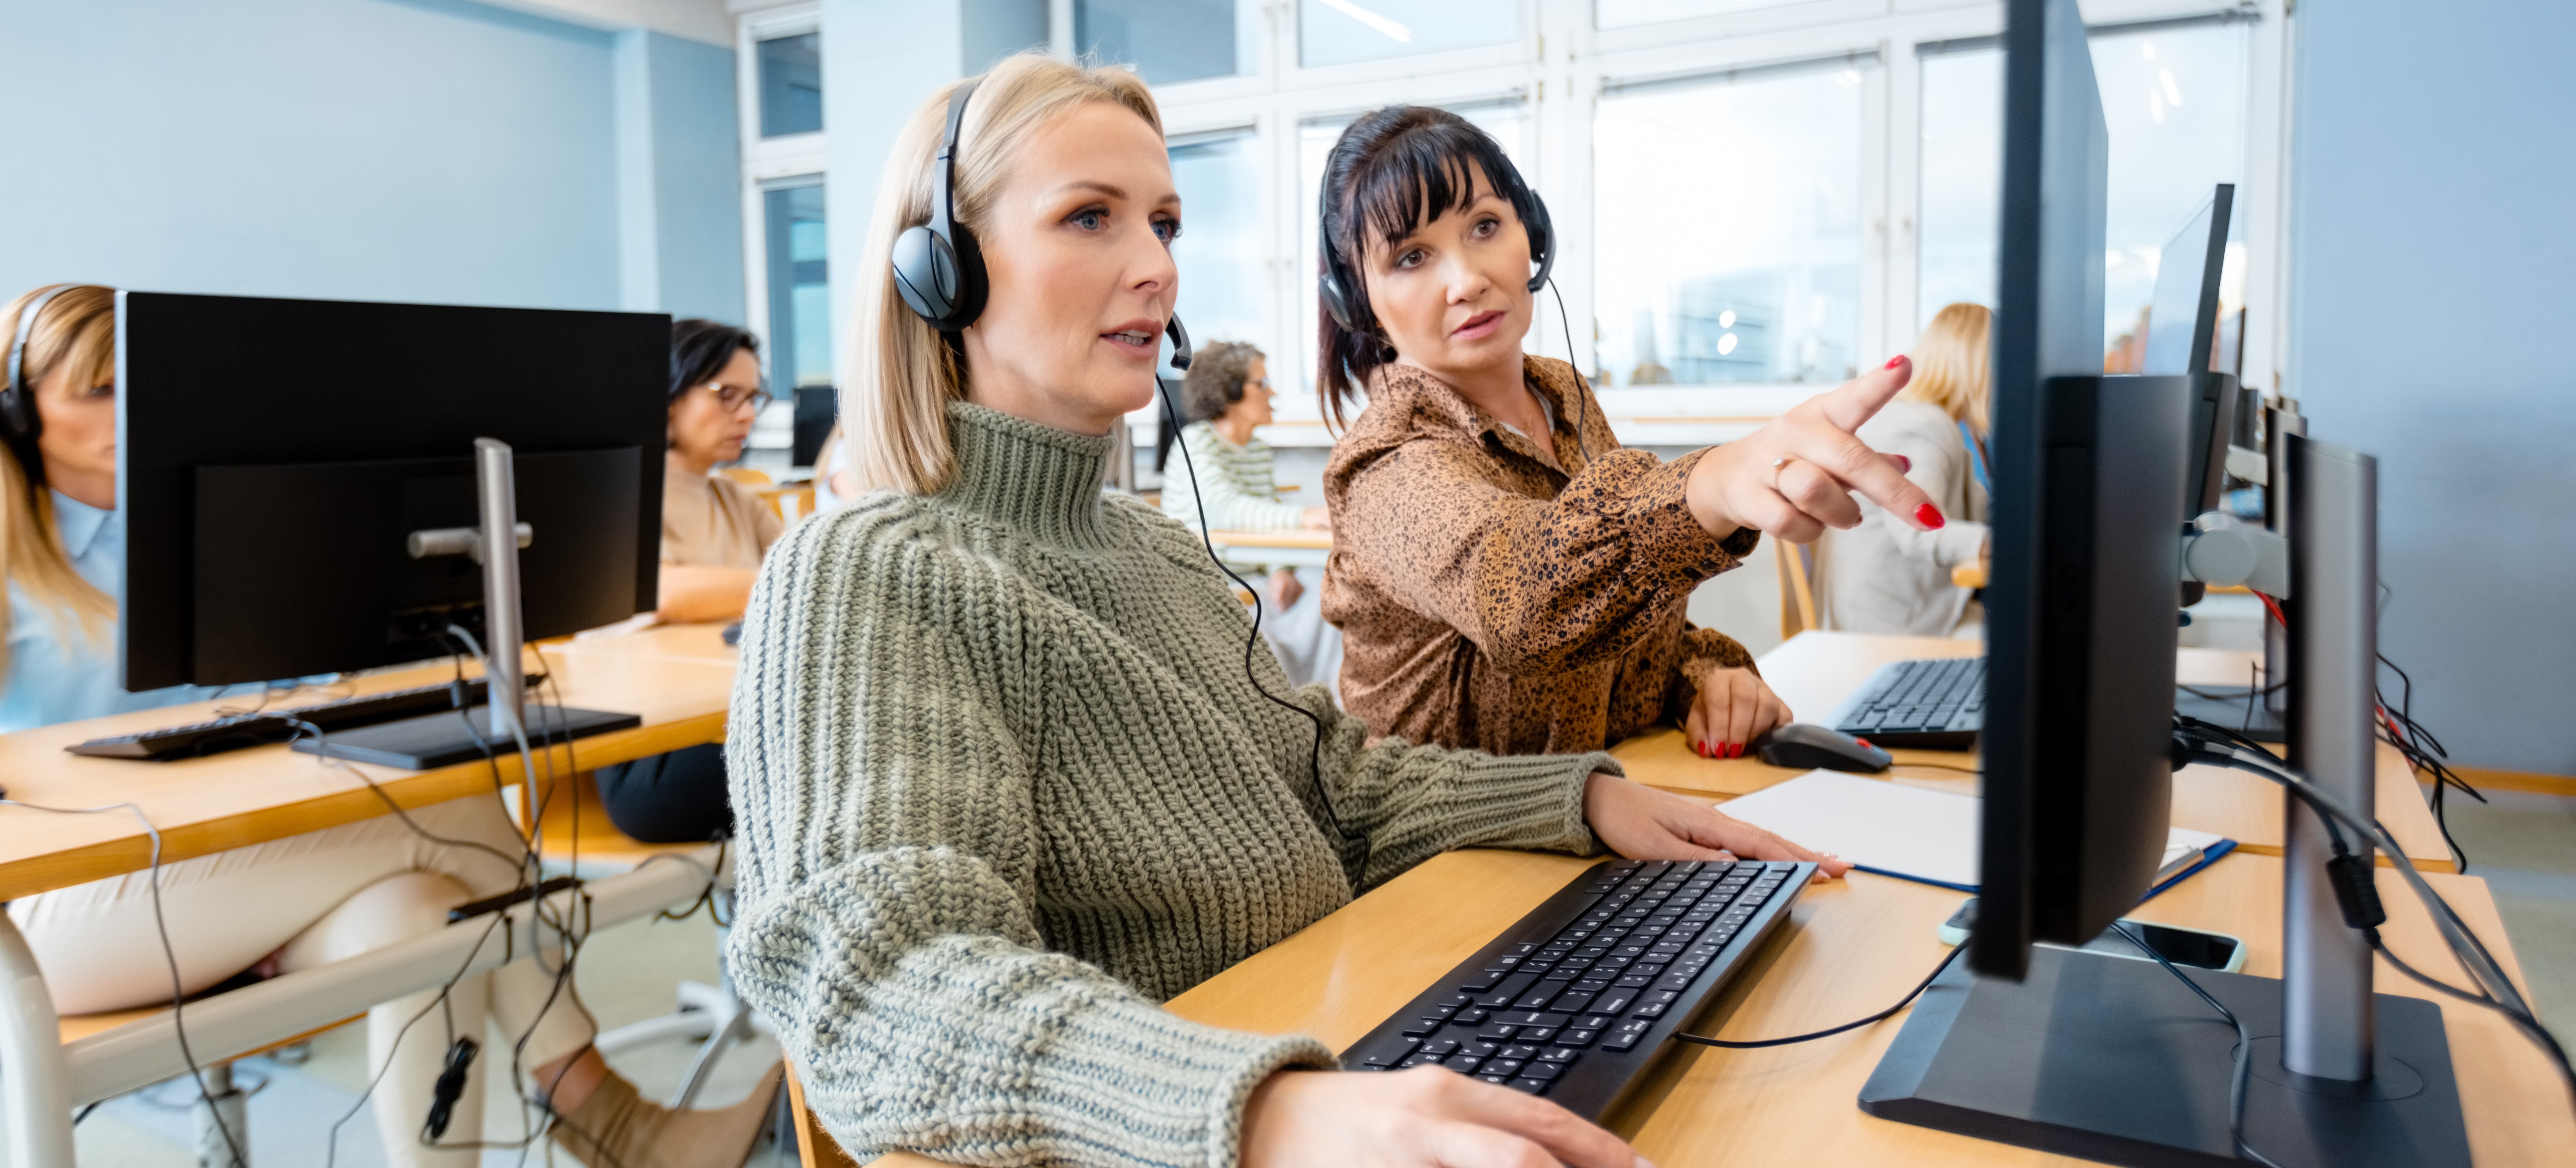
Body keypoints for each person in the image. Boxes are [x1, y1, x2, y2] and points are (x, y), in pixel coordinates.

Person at [723, 53, 1852, 1168]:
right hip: (1201, 1124)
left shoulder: (1152, 551)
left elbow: (1336, 788)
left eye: (1162, 223)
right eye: (1089, 218)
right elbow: (878, 984)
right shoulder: (867, 569)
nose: (1155, 267)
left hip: (1328, 1037)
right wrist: (1264, 1113)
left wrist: (1586, 796)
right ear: (941, 271)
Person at [0, 285, 777, 1168]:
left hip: (230, 867)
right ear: (21, 410)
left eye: (139, 385)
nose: (128, 411)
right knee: (448, 809)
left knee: (430, 916)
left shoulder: (207, 527)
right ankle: (616, 1124)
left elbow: (291, 696)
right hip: (54, 909)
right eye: (98, 390)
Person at [1315, 107, 1945, 764]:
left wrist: (1701, 677)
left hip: (1601, 818)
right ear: (1358, 301)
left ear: (1532, 236)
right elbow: (1524, 604)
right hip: (1454, 856)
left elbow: (1613, 627)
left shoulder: (1563, 398)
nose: (1467, 280)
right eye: (1411, 257)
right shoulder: (1384, 464)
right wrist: (1708, 483)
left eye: (1484, 226)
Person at [592, 320, 781, 845]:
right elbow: (663, 591)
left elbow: (815, 588)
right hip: (649, 761)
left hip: (729, 725)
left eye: (753, 398)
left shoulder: (738, 503)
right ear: (668, 396)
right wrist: (778, 584)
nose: (746, 414)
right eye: (727, 396)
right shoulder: (619, 494)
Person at [1160, 340, 1341, 692]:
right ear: (1228, 391)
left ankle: (1330, 705)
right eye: (1261, 384)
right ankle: (1293, 714)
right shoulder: (1197, 442)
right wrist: (1303, 518)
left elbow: (1265, 510)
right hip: (1216, 588)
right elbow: (1224, 509)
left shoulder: (1257, 450)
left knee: (1334, 586)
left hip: (1257, 580)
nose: (1271, 392)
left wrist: (1280, 570)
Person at [1814, 302, 1995, 636]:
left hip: (1889, 608)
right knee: (2020, 640)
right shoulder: (1923, 426)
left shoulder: (1924, 419)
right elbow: (1919, 531)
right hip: (1888, 624)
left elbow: (1977, 506)